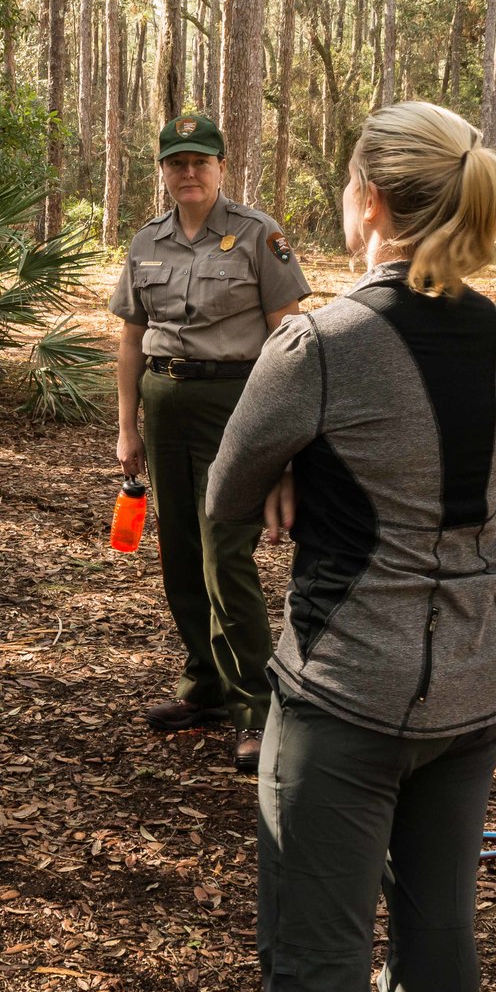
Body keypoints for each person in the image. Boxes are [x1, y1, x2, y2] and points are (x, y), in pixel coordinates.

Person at [152, 102, 496, 992]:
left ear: (367, 200)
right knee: (436, 953)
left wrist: (291, 487)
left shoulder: (322, 342)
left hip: (347, 700)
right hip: (476, 686)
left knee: (317, 970)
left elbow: (219, 500)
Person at [111, 112, 312, 772]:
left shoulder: (258, 235)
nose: (188, 172)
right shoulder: (147, 242)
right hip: (164, 406)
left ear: (222, 167)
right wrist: (126, 426)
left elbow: (290, 338)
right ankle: (205, 683)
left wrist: (285, 437)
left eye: (200, 161)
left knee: (225, 555)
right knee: (179, 554)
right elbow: (130, 338)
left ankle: (256, 708)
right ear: (164, 171)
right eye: (176, 162)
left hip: (238, 406)